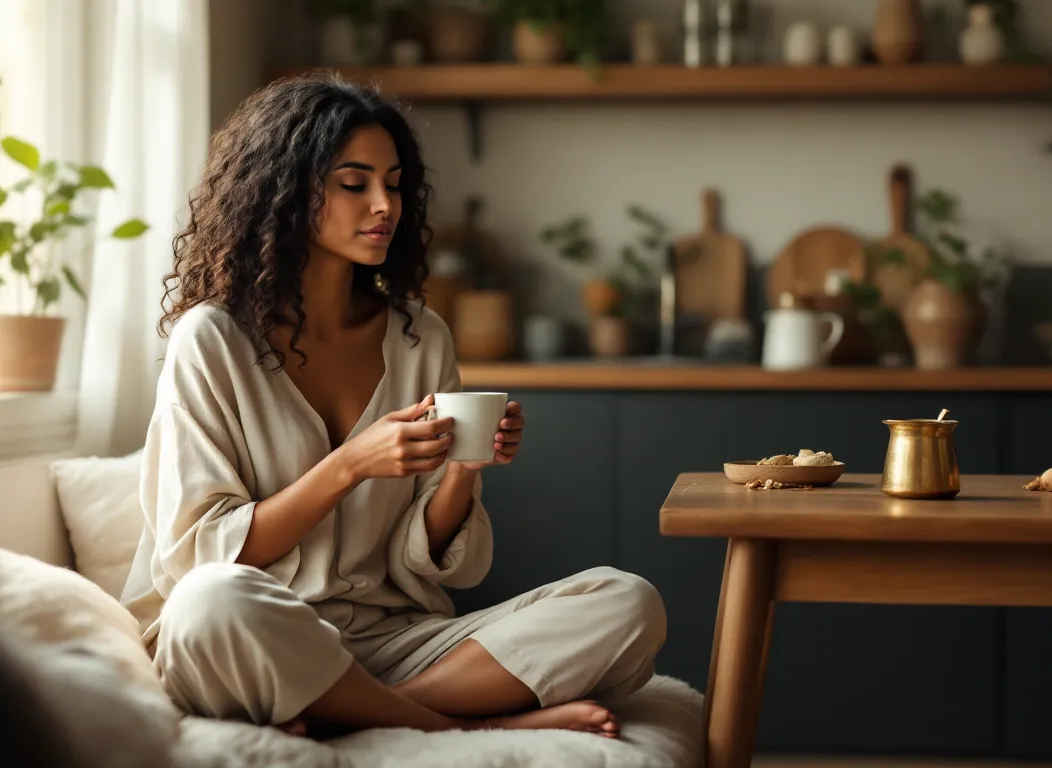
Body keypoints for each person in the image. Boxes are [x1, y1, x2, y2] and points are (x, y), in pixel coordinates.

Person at [119, 73, 667, 739]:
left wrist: (465, 470)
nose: (385, 204)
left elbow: (428, 562)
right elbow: (201, 555)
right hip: (261, 626)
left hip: (391, 642)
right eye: (355, 184)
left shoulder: (419, 336)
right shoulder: (212, 340)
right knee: (207, 603)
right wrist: (350, 464)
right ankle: (462, 721)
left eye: (396, 182)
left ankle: (356, 709)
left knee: (627, 602)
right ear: (286, 193)